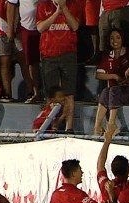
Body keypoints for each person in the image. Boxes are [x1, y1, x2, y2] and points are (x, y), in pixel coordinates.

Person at [36, 0, 82, 133]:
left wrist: (64, 8)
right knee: (51, 95)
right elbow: (40, 27)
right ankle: (50, 126)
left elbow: (75, 26)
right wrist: (57, 12)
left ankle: (69, 127)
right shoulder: (43, 5)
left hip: (69, 53)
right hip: (49, 54)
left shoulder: (74, 4)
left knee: (69, 94)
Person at [93, 28, 129, 136]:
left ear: (122, 39)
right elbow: (98, 74)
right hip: (115, 92)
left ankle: (112, 124)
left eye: (117, 37)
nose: (114, 40)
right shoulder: (108, 55)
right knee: (105, 92)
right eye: (112, 38)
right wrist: (114, 76)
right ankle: (97, 127)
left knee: (113, 90)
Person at [0, 0, 31, 102]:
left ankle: (31, 91)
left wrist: (11, 29)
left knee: (24, 61)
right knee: (4, 63)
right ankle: (7, 93)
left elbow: (16, 9)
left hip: (17, 30)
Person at [7, 0, 41, 103]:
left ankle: (53, 95)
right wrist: (10, 28)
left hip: (46, 26)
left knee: (50, 60)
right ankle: (36, 93)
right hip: (28, 28)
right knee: (31, 62)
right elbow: (10, 6)